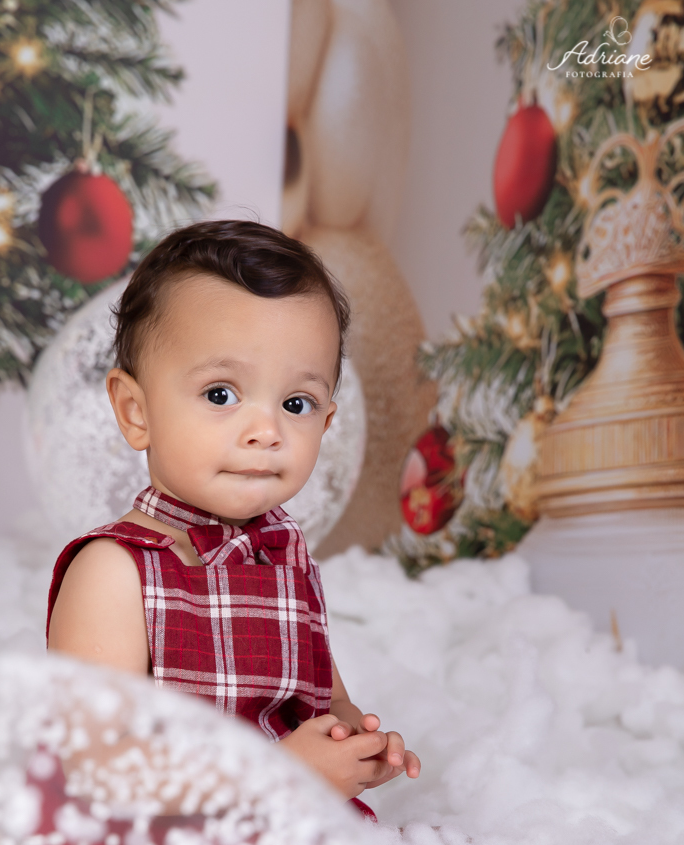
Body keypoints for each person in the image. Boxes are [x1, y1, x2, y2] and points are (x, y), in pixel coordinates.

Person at [46, 219, 420, 814]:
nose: (266, 431)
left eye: (296, 403)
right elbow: (98, 773)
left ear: (327, 422)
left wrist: (352, 741)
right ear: (136, 411)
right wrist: (278, 774)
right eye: (220, 394)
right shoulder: (117, 571)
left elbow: (320, 701)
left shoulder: (284, 559)